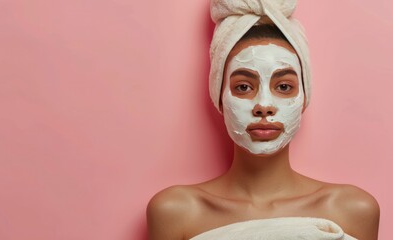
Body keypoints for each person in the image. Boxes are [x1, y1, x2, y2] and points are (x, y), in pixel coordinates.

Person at [147, 1, 380, 239]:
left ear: (303, 98)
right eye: (244, 86)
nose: (264, 106)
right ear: (219, 98)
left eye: (284, 86)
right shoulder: (176, 211)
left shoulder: (352, 210)